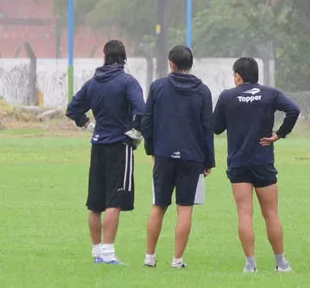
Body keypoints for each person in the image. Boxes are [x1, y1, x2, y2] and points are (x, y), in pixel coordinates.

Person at [212, 57, 301, 273]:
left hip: (238, 163)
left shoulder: (227, 96)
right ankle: (281, 263)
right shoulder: (270, 94)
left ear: (238, 76)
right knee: (271, 214)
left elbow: (216, 128)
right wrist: (279, 134)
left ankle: (250, 265)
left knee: (244, 213)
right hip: (263, 162)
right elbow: (294, 110)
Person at [65, 39, 146, 265]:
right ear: (123, 57)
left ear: (105, 56)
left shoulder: (93, 83)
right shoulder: (127, 82)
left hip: (98, 144)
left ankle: (97, 252)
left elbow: (73, 109)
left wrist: (86, 123)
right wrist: (136, 132)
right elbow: (141, 110)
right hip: (119, 145)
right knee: (114, 200)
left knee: (95, 203)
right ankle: (108, 254)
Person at [141, 45, 215, 269]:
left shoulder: (157, 87)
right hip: (192, 157)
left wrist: (152, 150)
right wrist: (208, 160)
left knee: (158, 206)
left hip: (163, 154)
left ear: (171, 64)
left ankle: (150, 258)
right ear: (190, 65)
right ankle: (177, 260)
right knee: (185, 208)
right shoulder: (203, 91)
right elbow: (206, 128)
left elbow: (147, 122)